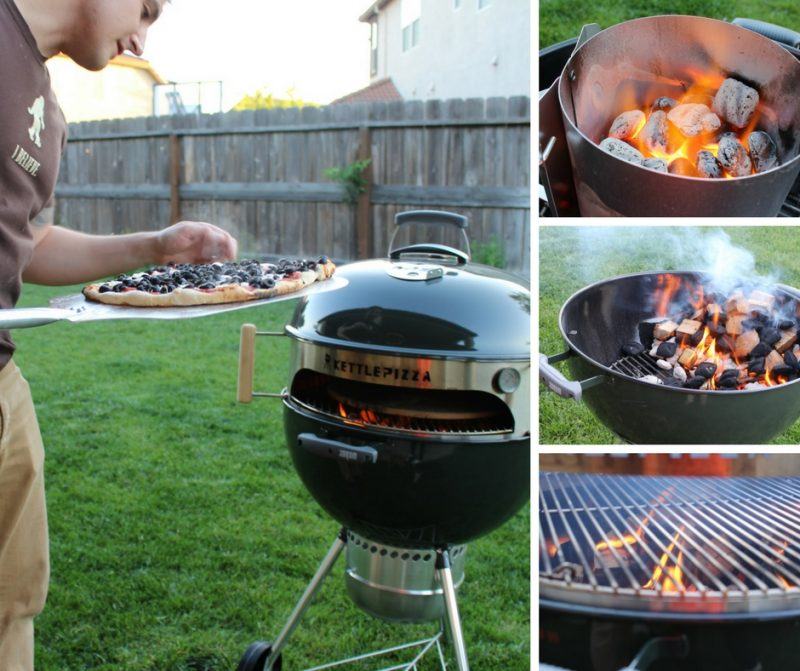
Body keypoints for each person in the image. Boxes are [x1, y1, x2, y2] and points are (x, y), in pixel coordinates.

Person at [0, 1, 237, 668]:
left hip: (4, 389)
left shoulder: (46, 105)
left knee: (13, 603)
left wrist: (155, 245)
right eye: (146, 8)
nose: (142, 34)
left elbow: (32, 241)